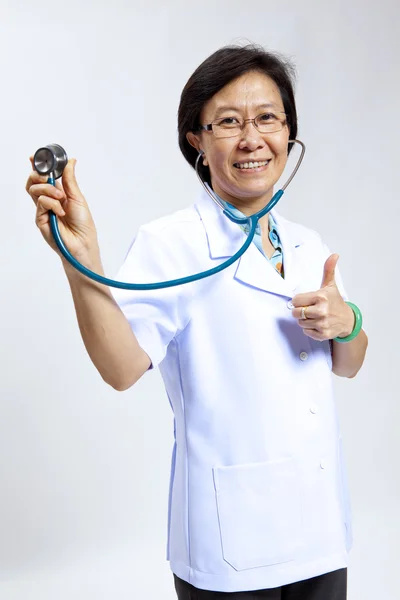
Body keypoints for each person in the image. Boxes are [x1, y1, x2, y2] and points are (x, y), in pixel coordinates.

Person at [25, 43, 368, 600]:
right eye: (228, 122)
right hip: (231, 538)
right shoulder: (172, 244)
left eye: (268, 120)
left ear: (289, 133)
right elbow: (120, 366)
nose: (252, 139)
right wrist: (80, 260)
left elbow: (349, 364)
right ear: (199, 142)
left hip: (321, 527)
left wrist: (347, 322)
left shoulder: (309, 245)